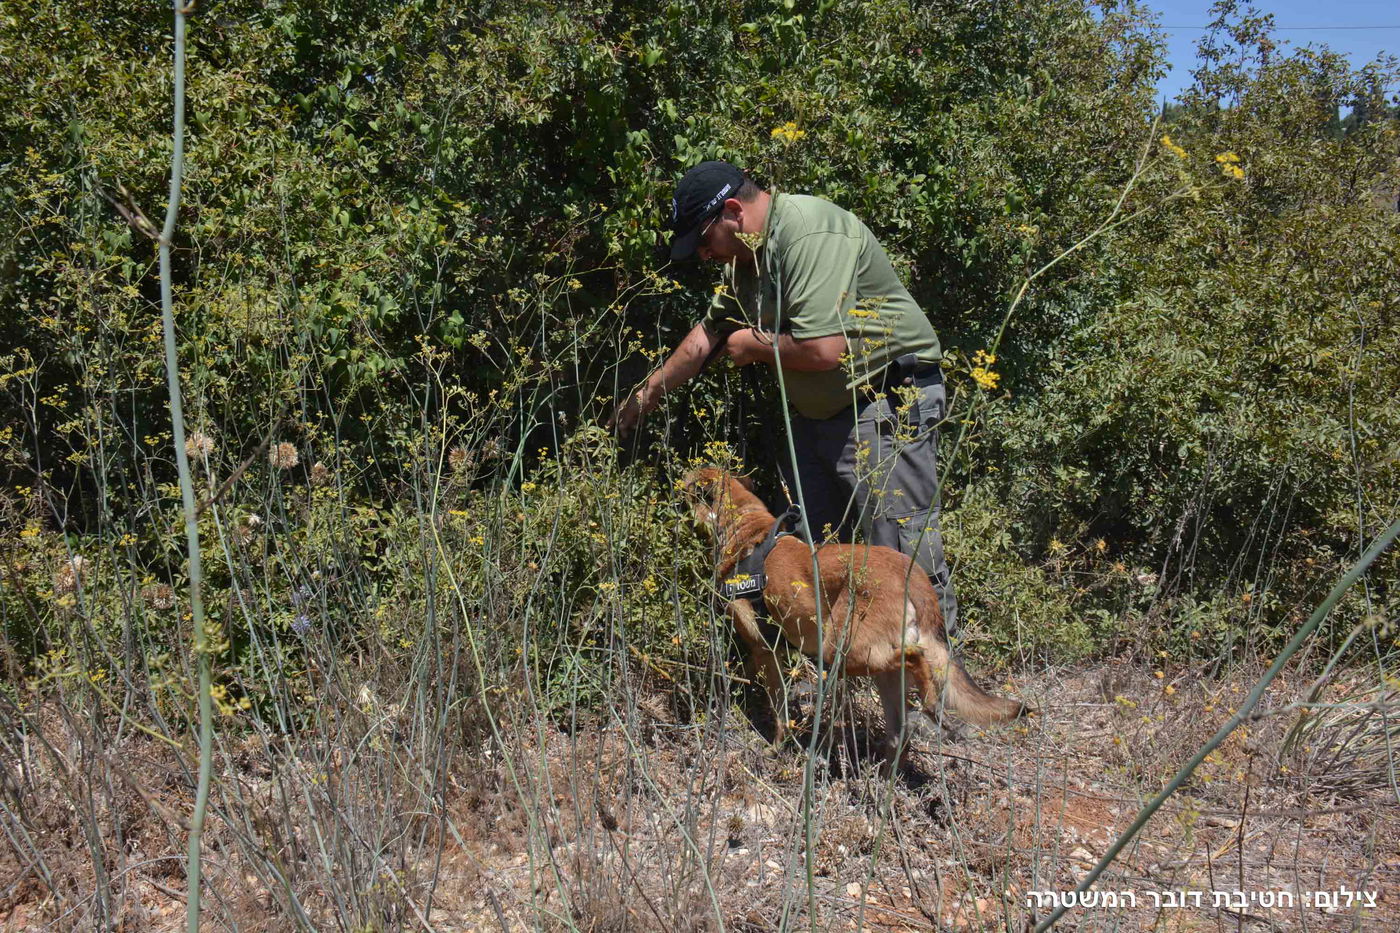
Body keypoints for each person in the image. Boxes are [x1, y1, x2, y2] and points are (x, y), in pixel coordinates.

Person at [612, 160, 959, 634]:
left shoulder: (808, 234)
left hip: (884, 403)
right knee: (809, 561)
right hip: (819, 416)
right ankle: (832, 696)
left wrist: (751, 346)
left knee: (901, 557)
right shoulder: (745, 262)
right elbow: (705, 339)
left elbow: (823, 350)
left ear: (733, 211)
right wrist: (642, 398)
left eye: (705, 240)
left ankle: (937, 698)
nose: (704, 256)